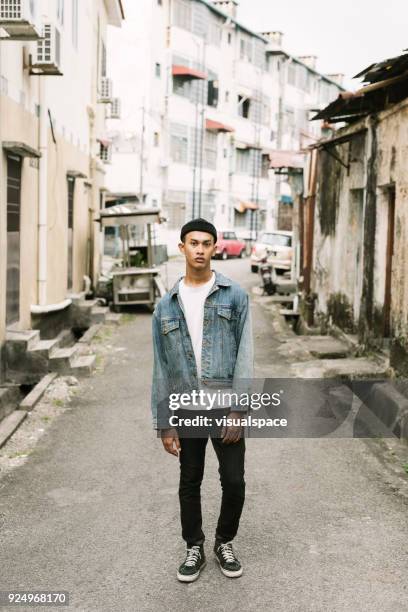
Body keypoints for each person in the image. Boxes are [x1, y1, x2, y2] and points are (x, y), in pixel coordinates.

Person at [151, 218, 254, 582]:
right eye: (192, 243)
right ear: (182, 247)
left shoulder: (235, 296)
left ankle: (224, 541)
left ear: (214, 248)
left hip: (225, 404)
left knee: (234, 480)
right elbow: (160, 368)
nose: (199, 249)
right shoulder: (165, 306)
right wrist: (164, 422)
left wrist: (239, 409)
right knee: (190, 480)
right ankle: (193, 546)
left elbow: (245, 355)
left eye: (206, 243)